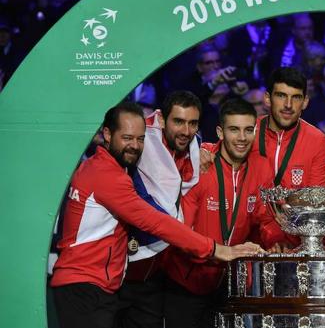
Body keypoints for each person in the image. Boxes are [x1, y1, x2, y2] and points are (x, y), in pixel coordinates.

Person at [50, 102, 261, 328]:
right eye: (127, 138)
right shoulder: (107, 176)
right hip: (85, 286)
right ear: (107, 134)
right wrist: (217, 249)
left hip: (94, 285)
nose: (135, 146)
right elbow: (157, 223)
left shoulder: (104, 167)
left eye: (141, 139)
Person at [162, 98, 287, 328]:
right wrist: (220, 252)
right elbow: (181, 233)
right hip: (184, 284)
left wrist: (276, 240)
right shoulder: (201, 166)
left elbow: (265, 217)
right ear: (220, 132)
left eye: (248, 130)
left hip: (226, 286)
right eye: (234, 130)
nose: (241, 138)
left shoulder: (262, 167)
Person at [116, 91, 203, 328]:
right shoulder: (140, 142)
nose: (186, 131)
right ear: (162, 120)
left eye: (192, 123)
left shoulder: (195, 147)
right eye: (178, 121)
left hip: (158, 272)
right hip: (122, 267)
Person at [255, 67, 325, 189]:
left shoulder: (317, 140)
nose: (288, 105)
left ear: (305, 102)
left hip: (296, 208)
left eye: (296, 97)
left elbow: (315, 198)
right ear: (268, 98)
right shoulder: (248, 132)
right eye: (281, 96)